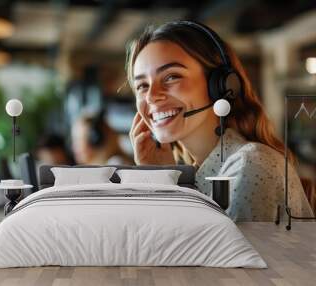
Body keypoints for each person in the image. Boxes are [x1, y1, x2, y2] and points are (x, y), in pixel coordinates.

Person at [126, 20, 313, 221]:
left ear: (222, 86)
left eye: (172, 76)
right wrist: (164, 177)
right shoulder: (200, 176)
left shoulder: (250, 165)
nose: (152, 96)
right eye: (142, 86)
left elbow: (197, 252)